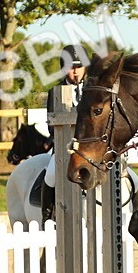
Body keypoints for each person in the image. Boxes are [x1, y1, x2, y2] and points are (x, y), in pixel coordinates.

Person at [37, 45, 87, 221]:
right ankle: (47, 217)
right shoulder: (55, 92)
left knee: (133, 178)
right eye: (71, 67)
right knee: (50, 175)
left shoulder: (94, 89)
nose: (75, 71)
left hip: (91, 147)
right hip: (64, 147)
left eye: (79, 67)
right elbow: (51, 125)